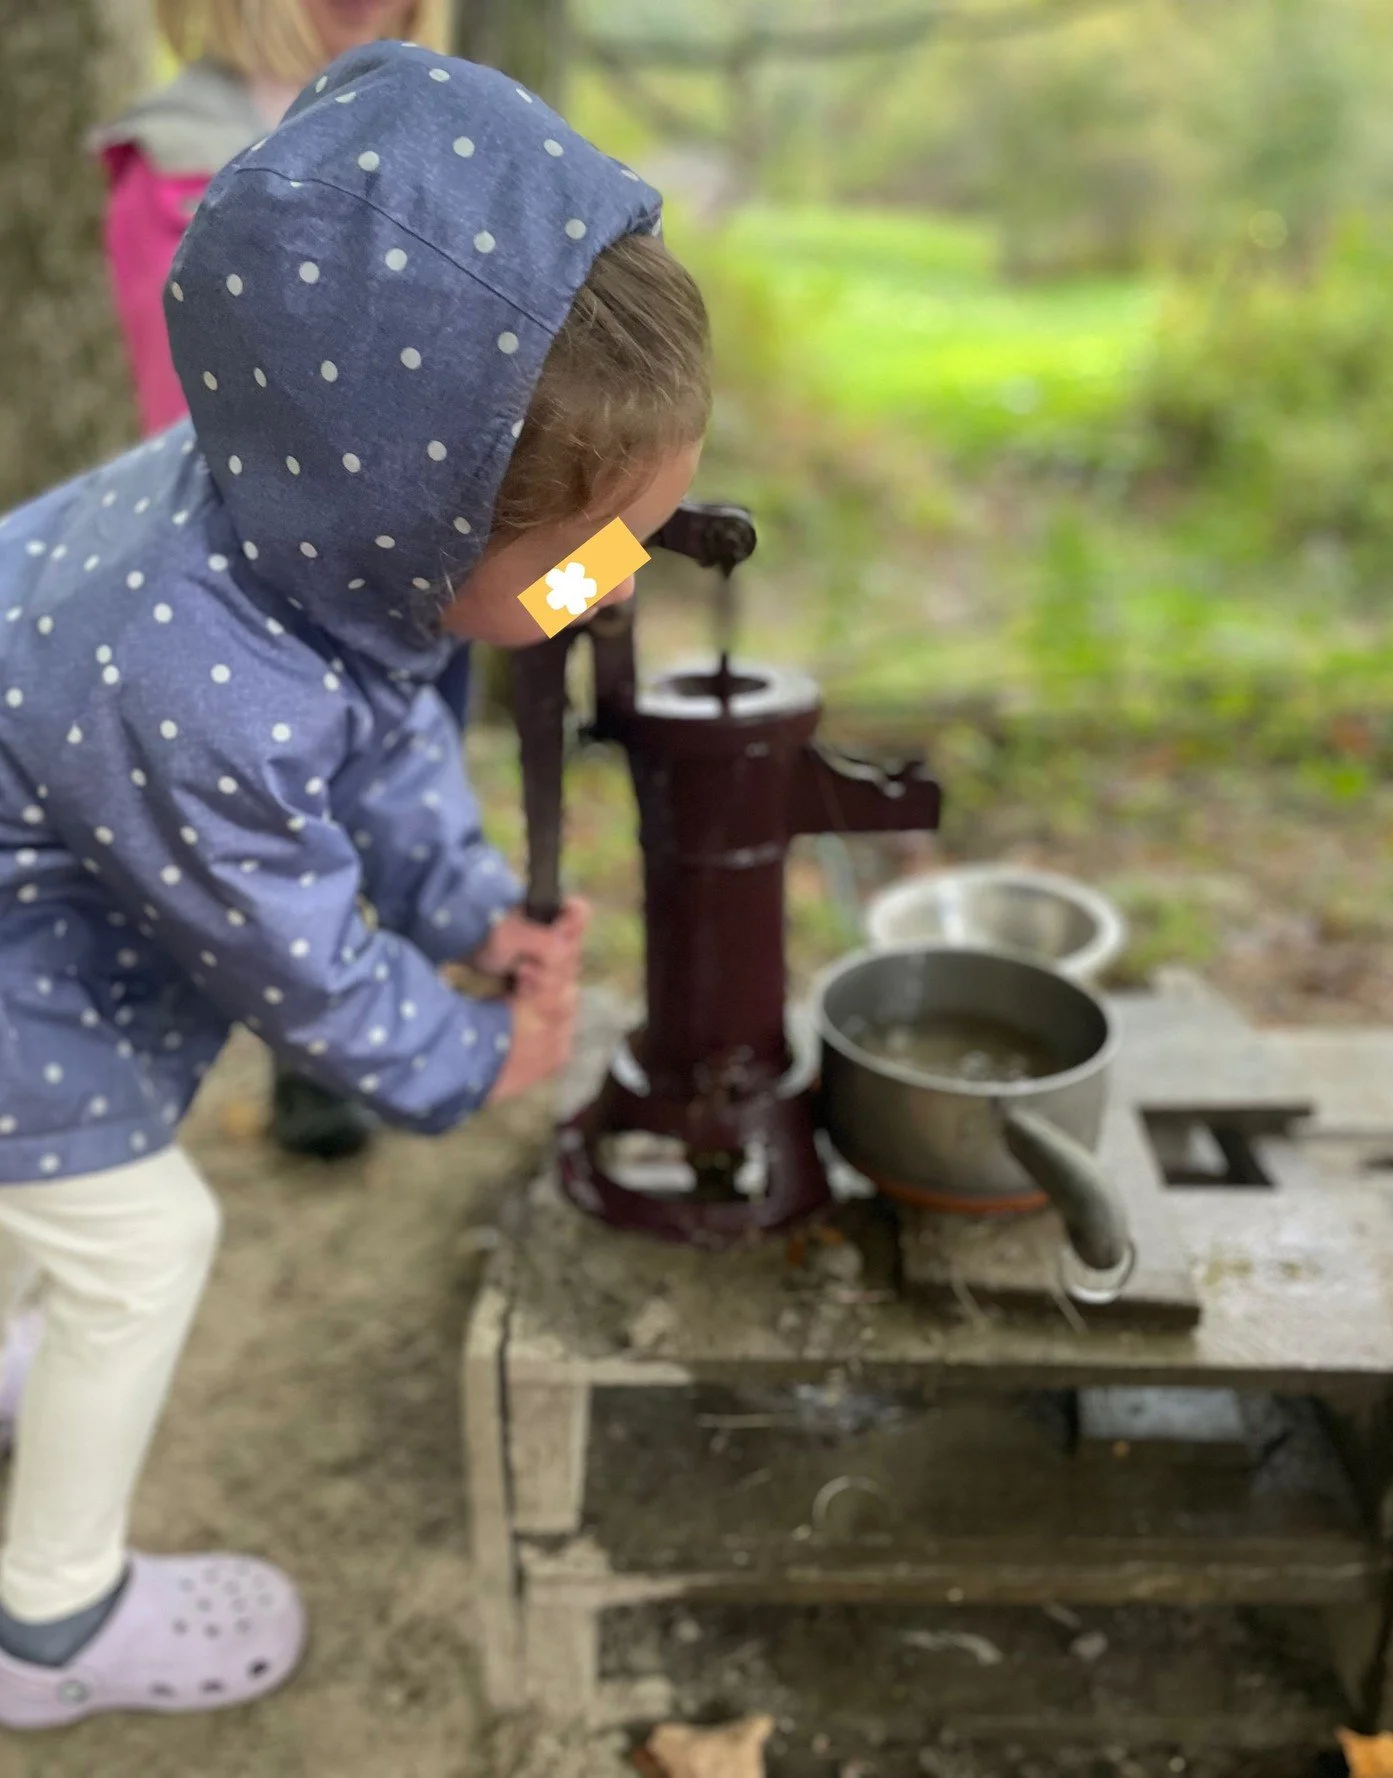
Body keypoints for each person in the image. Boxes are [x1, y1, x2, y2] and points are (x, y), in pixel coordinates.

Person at [0, 40, 709, 1724]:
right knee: (136, 1239)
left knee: (53, 1204)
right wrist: (468, 1056)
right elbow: (291, 952)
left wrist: (471, 911)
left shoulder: (304, 524)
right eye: (589, 563)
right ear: (417, 517)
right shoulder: (199, 684)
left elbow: (385, 736)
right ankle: (49, 1619)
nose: (615, 590)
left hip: (42, 893)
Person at [95, 0, 470, 1162]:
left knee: (417, 783)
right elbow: (194, 408)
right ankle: (331, 1053)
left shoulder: (447, 124)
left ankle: (422, 1002)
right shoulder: (178, 161)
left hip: (440, 565)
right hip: (297, 581)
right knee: (303, 820)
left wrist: (579, 564)